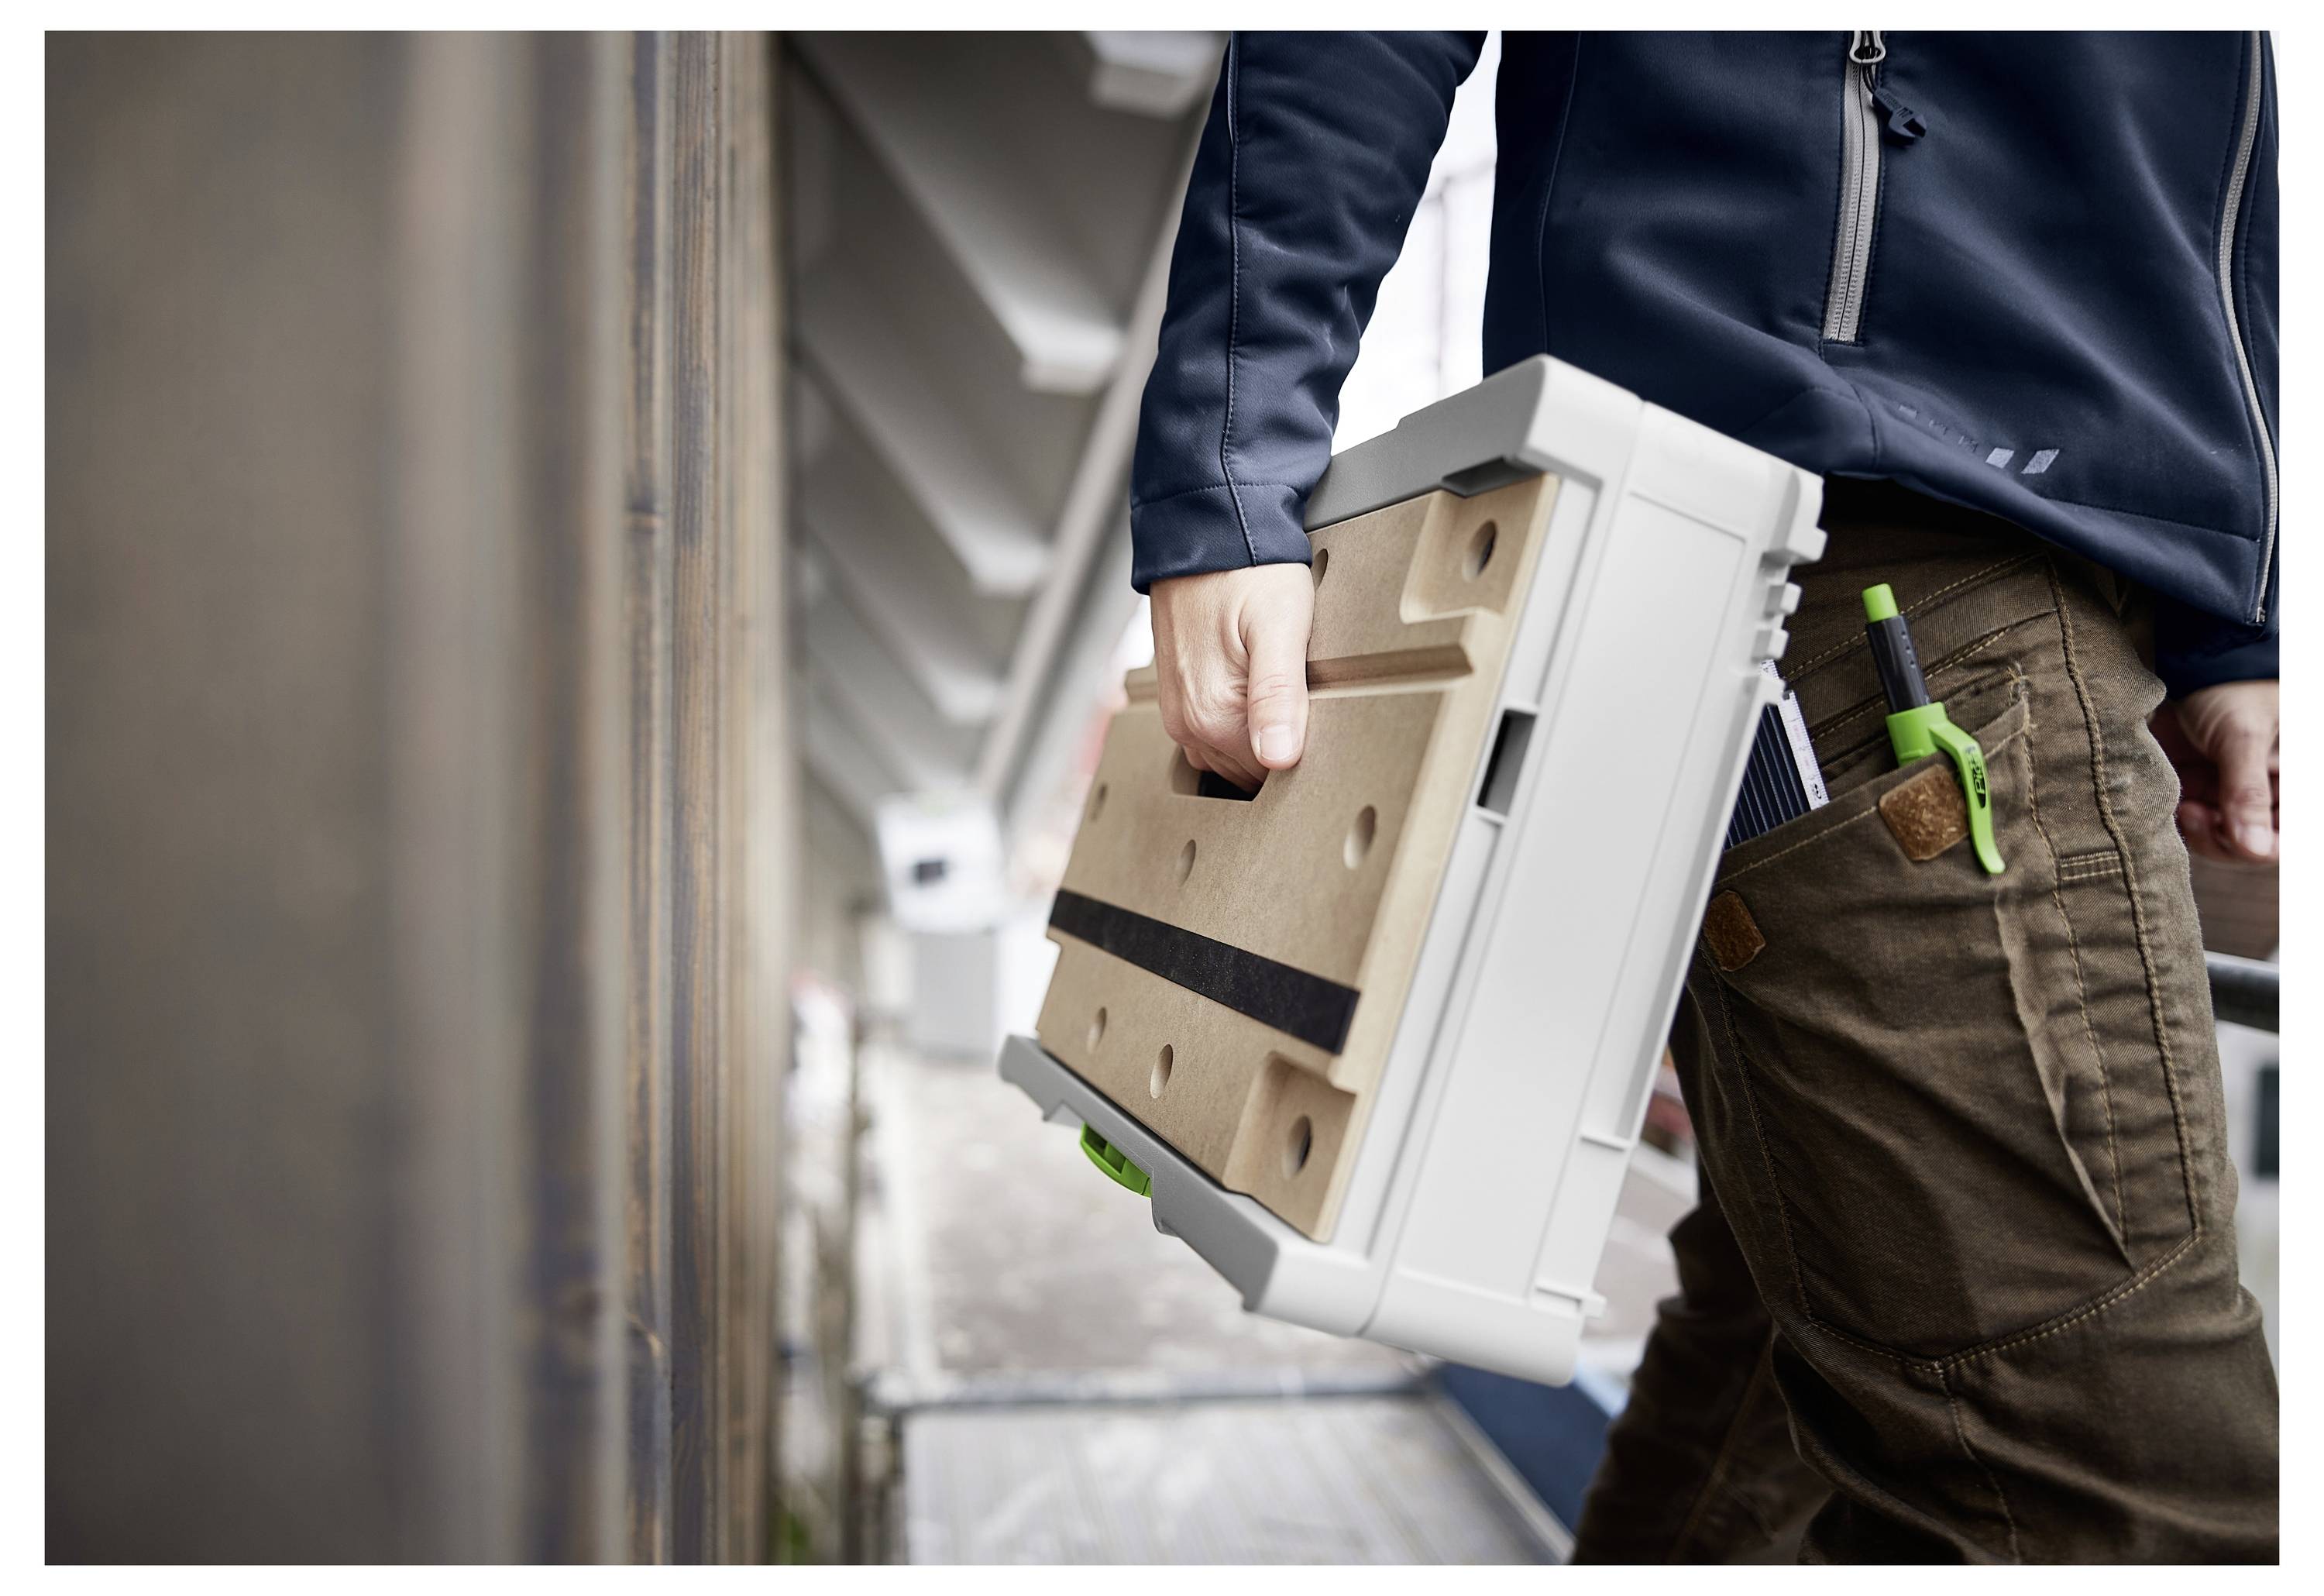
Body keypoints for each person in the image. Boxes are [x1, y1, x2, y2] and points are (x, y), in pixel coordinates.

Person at [1129, 33, 2278, 1563]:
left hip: (2016, 558)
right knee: (2132, 1500)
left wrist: (2233, 613)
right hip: (1875, 540)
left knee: (1774, 1370)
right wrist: (1230, 463)